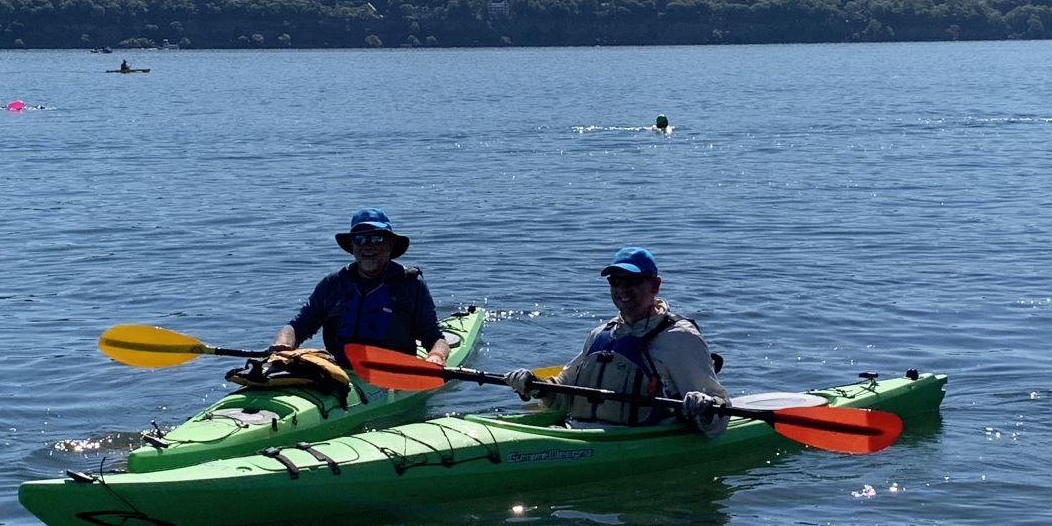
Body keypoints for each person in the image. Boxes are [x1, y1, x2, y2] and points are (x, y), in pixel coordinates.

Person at [506, 246, 730, 433]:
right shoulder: (602, 334)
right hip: (578, 433)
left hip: (632, 442)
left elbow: (720, 412)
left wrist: (704, 404)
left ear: (654, 285)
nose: (622, 288)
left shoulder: (680, 338)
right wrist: (534, 384)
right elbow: (564, 394)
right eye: (615, 281)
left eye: (632, 280)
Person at [269, 208, 451, 371]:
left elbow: (435, 339)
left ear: (390, 244)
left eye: (377, 239)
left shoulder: (410, 284)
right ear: (352, 246)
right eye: (360, 239)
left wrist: (437, 356)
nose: (368, 246)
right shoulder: (333, 283)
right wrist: (283, 344)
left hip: (391, 372)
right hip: (338, 370)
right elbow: (297, 326)